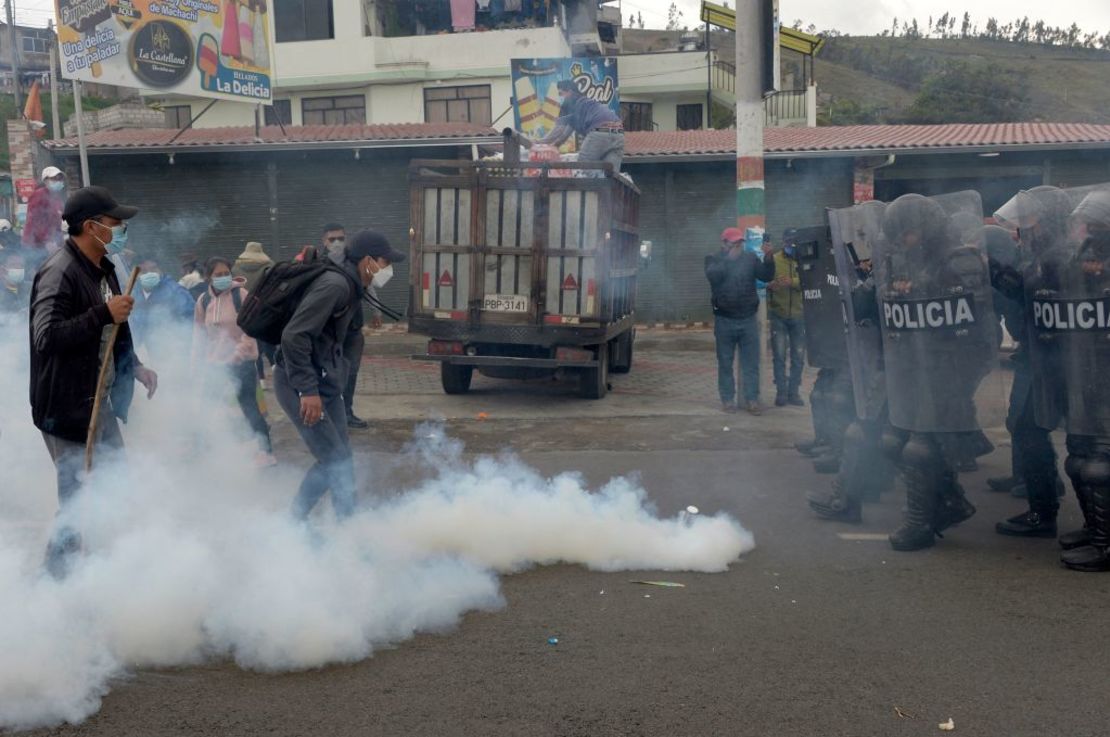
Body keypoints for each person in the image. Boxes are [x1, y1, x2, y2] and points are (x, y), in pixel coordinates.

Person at [29, 186, 158, 578]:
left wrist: (132, 364)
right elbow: (45, 337)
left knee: (112, 488)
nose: (122, 230)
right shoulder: (60, 270)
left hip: (98, 403)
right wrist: (102, 312)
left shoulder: (103, 268)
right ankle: (56, 581)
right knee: (77, 500)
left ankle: (100, 572)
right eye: (116, 223)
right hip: (68, 409)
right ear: (92, 226)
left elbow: (111, 330)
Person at [874, 193, 992, 551]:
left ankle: (920, 523)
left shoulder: (961, 261)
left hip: (949, 367)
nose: (902, 241)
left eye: (907, 233)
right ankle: (951, 501)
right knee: (893, 440)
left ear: (926, 229)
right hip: (914, 366)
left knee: (921, 447)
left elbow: (974, 321)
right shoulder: (907, 260)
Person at [275, 230, 405, 520]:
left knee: (342, 457)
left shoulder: (352, 283)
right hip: (300, 382)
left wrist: (336, 377)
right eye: (385, 262)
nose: (388, 269)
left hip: (326, 380)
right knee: (333, 459)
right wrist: (308, 391)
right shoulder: (335, 285)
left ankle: (348, 523)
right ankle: (293, 522)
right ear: (368, 260)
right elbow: (294, 336)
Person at [191, 256, 276, 467]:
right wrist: (195, 365)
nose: (223, 278)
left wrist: (236, 355)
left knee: (249, 406)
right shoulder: (203, 301)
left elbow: (250, 329)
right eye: (217, 275)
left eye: (225, 273)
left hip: (242, 363)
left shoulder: (241, 295)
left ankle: (266, 452)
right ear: (208, 277)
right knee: (206, 407)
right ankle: (201, 449)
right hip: (214, 365)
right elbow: (198, 334)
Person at [705, 227, 774, 415]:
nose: (738, 246)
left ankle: (752, 399)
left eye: (740, 243)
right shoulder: (713, 258)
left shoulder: (750, 258)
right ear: (724, 244)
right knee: (725, 363)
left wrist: (768, 258)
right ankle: (728, 400)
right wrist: (729, 259)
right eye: (734, 243)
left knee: (751, 363)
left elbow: (766, 276)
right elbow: (713, 277)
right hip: (724, 320)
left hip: (747, 320)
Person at [320, 223, 370, 429]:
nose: (337, 242)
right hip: (328, 332)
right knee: (328, 373)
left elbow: (368, 284)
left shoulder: (354, 260)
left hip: (353, 329)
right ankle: (328, 413)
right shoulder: (317, 263)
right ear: (324, 241)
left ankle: (346, 412)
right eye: (332, 239)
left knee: (350, 373)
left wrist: (375, 312)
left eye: (341, 238)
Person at [535, 80, 624, 172]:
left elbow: (558, 130)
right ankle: (608, 185)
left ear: (569, 91)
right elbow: (565, 133)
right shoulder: (585, 104)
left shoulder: (568, 103)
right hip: (619, 133)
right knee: (610, 173)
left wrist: (539, 142)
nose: (560, 97)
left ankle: (589, 185)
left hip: (600, 131)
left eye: (561, 93)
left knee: (583, 165)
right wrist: (555, 146)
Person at [767, 229, 805, 407]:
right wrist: (772, 286)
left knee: (798, 356)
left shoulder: (804, 259)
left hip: (799, 315)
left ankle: (794, 392)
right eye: (788, 241)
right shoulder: (775, 260)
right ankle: (781, 393)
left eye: (794, 242)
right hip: (779, 315)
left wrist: (793, 282)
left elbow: (810, 280)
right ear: (783, 241)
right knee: (779, 356)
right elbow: (764, 282)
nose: (791, 245)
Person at [130, 257, 195, 351]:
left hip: (171, 352)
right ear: (135, 275)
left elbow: (190, 322)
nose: (149, 274)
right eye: (144, 271)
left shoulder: (176, 292)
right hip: (140, 352)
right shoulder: (132, 294)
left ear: (161, 270)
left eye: (153, 269)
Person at [22, 166, 67, 268]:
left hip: (52, 244)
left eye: (60, 179)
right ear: (46, 180)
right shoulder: (39, 195)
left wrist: (60, 242)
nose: (58, 181)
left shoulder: (57, 198)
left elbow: (58, 224)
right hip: (36, 244)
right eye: (54, 178)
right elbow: (34, 221)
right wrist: (47, 242)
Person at [0, 249, 29, 318]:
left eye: (21, 265)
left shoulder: (31, 288)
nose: (18, 268)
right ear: (3, 269)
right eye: (13, 265)